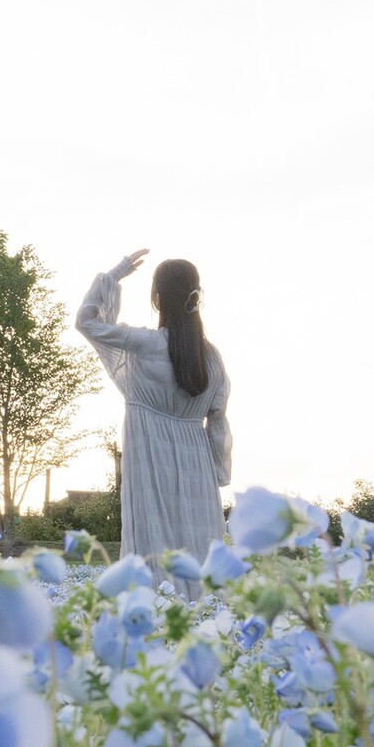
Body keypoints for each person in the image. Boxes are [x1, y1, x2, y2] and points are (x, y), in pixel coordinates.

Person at [75, 249, 232, 599]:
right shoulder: (211, 357)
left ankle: (157, 633)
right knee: (200, 553)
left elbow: (88, 322)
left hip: (151, 463)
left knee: (153, 549)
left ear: (157, 299)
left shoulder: (144, 344)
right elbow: (219, 420)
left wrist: (112, 276)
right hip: (199, 471)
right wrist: (218, 475)